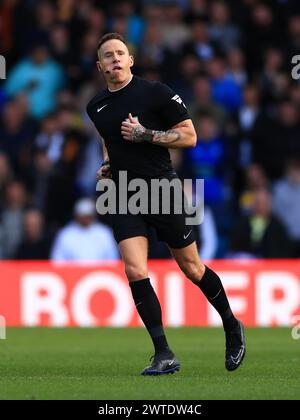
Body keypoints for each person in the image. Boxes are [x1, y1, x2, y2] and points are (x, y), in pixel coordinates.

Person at [86, 32, 245, 375]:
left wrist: (147, 134)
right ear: (100, 67)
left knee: (192, 268)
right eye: (108, 56)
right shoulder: (95, 106)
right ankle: (164, 353)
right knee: (134, 269)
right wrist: (108, 163)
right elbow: (108, 140)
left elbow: (189, 136)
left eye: (120, 53)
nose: (115, 59)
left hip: (162, 190)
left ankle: (232, 325)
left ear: (130, 59)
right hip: (123, 193)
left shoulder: (155, 92)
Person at [50, 198, 119, 262]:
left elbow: (112, 257)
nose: (85, 219)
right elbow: (57, 259)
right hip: (71, 272)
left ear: (93, 216)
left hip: (100, 273)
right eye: (82, 216)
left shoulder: (104, 233)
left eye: (88, 216)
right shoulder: (65, 234)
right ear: (76, 215)